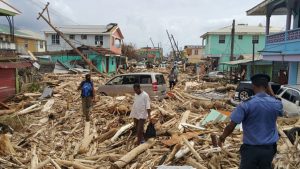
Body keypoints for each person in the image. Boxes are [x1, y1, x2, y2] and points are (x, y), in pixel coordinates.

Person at [218, 74, 283, 169]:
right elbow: (279, 108)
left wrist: (222, 137)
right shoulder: (276, 104)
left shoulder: (246, 104)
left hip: (251, 150)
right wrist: (271, 93)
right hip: (269, 150)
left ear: (253, 86)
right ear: (267, 87)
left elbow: (231, 126)